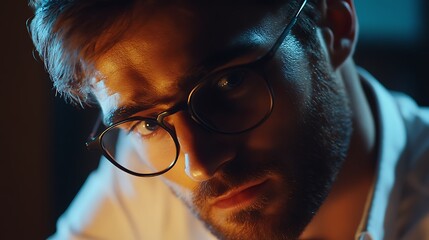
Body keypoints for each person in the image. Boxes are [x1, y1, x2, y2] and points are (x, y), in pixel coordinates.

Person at [28, 0, 429, 239]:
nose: (198, 163)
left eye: (227, 82)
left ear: (333, 26)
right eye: (147, 123)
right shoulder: (142, 172)